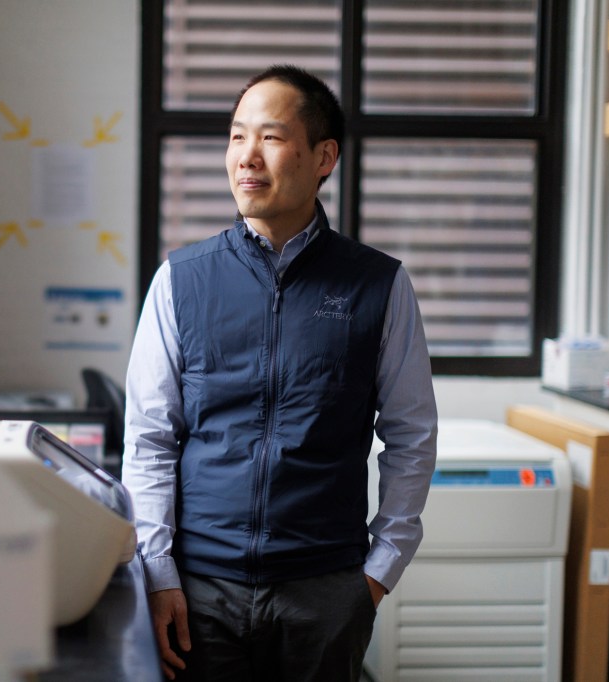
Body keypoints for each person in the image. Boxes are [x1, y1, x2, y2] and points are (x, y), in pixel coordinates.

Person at [121, 64, 438, 682]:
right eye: (237, 137)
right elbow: (150, 437)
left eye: (269, 137)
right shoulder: (181, 280)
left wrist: (378, 574)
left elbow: (411, 433)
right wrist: (156, 573)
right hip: (198, 591)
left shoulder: (377, 284)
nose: (247, 158)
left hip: (324, 591)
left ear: (324, 156)